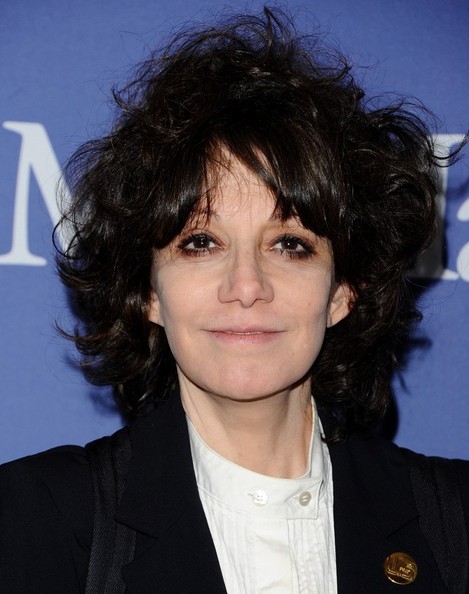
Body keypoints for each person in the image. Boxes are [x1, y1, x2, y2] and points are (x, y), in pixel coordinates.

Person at [1, 7, 468, 594]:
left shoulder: (455, 523)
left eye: (290, 245)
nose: (246, 286)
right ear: (146, 290)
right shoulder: (35, 520)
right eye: (201, 243)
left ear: (344, 290)